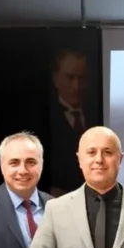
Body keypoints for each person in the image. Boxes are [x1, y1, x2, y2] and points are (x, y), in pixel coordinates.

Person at [49, 48, 89, 196]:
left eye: (81, 78)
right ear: (56, 79)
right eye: (70, 78)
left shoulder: (97, 113)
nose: (76, 86)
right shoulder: (43, 120)